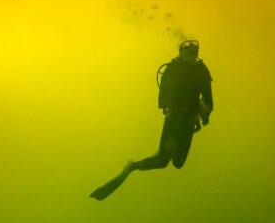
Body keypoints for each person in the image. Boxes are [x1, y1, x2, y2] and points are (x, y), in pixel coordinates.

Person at [90, 39, 214, 200]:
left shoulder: (200, 71)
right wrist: (195, 111)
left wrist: (204, 113)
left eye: (193, 53)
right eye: (187, 52)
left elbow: (209, 100)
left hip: (188, 121)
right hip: (176, 120)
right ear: (181, 52)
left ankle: (135, 166)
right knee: (163, 161)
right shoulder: (176, 69)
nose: (190, 55)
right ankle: (132, 167)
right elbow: (164, 100)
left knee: (178, 163)